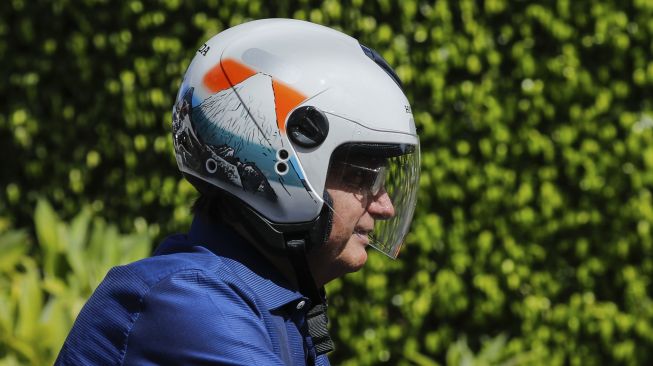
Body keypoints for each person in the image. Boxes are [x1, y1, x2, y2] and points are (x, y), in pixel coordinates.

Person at [55, 18, 420, 365]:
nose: (386, 205)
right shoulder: (188, 303)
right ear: (281, 160)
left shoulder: (281, 302)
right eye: (363, 178)